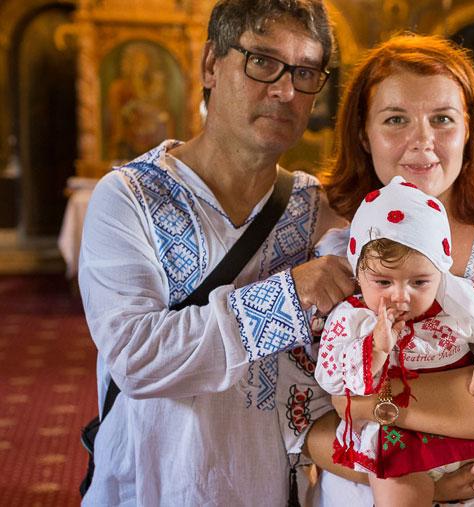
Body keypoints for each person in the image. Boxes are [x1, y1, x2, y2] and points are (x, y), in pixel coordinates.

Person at [78, 1, 356, 505]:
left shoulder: (317, 209)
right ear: (211, 64)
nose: (286, 90)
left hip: (267, 485)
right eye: (262, 62)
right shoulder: (129, 197)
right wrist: (288, 297)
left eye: (305, 72)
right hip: (149, 483)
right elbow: (137, 357)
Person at [306, 34, 474, 505]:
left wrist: (371, 401)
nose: (423, 141)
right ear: (362, 132)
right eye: (396, 119)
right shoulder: (334, 243)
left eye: (443, 119)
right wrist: (418, 482)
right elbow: (309, 426)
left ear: (469, 130)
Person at [315, 176, 474, 505]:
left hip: (463, 426)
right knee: (399, 495)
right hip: (396, 437)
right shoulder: (354, 318)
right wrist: (376, 348)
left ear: (440, 272)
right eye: (383, 282)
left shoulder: (458, 301)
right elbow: (331, 374)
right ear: (358, 274)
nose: (400, 296)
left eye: (419, 281)